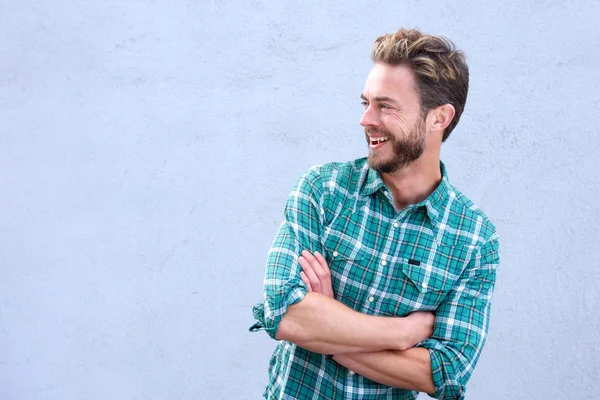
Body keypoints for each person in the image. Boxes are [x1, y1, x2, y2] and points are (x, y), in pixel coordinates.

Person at [249, 28, 500, 400]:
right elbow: (284, 312)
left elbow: (444, 372)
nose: (366, 119)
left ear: (439, 118)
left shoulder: (474, 239)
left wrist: (329, 331)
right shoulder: (323, 190)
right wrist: (399, 335)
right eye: (365, 103)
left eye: (386, 106)